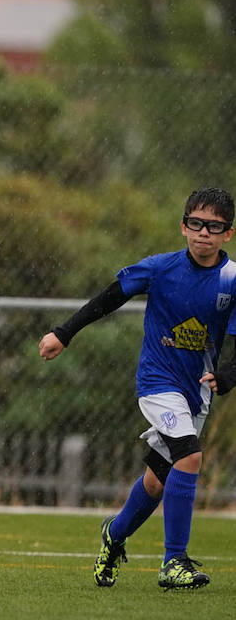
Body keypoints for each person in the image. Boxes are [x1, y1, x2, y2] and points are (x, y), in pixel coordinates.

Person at [39, 186, 236, 591]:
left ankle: (114, 533)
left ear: (227, 234)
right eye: (196, 224)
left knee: (157, 479)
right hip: (157, 383)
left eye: (214, 227)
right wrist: (64, 332)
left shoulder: (232, 280)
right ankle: (174, 561)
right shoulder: (161, 268)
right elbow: (110, 297)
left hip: (195, 392)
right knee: (191, 456)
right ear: (183, 227)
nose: (204, 233)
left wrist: (230, 374)